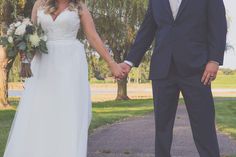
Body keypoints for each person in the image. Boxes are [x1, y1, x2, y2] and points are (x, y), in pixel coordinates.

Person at [3, 0, 125, 157]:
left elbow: (93, 37)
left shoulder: (79, 7)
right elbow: (31, 37)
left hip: (70, 66)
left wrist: (112, 63)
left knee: (67, 113)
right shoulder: (40, 4)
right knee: (40, 112)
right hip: (43, 65)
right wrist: (25, 60)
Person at [119, 0, 227, 156]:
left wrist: (214, 60)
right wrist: (129, 61)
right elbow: (147, 29)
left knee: (204, 124)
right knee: (162, 127)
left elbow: (218, 26)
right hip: (162, 69)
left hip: (197, 70)